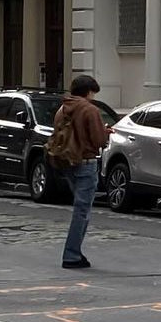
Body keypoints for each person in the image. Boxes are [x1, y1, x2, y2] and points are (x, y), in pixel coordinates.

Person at [52, 75, 110, 270]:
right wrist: (105, 132)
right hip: (85, 162)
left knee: (79, 207)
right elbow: (98, 140)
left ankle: (74, 252)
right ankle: (71, 254)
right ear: (88, 92)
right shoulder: (89, 109)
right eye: (93, 93)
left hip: (67, 161)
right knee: (82, 211)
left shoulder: (62, 109)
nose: (93, 96)